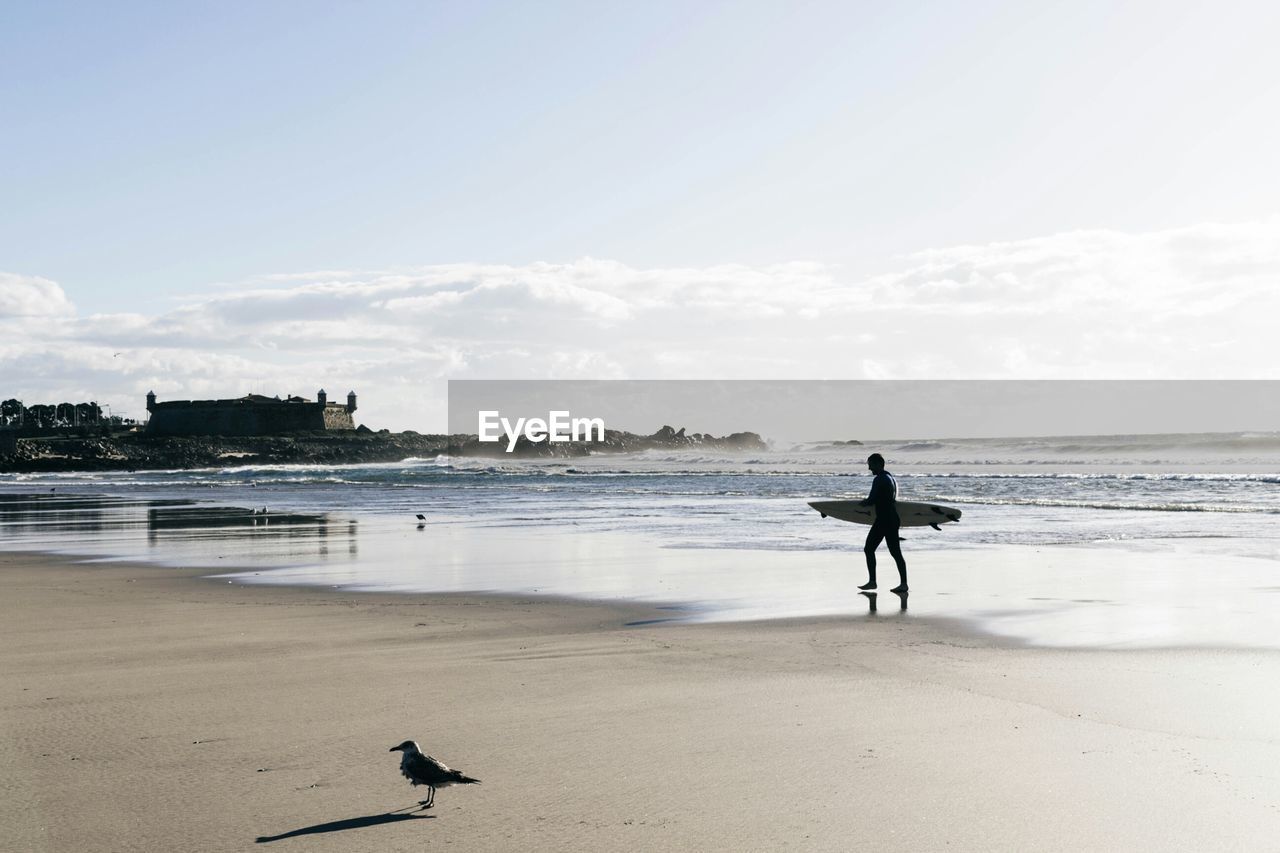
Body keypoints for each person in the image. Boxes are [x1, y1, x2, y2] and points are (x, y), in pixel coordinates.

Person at [858, 453, 907, 593]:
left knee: (869, 549)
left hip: (884, 520)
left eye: (870, 465)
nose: (869, 468)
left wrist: (863, 504)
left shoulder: (879, 479)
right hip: (892, 519)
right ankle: (903, 584)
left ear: (878, 464)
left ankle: (873, 582)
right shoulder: (890, 478)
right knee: (896, 553)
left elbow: (872, 499)